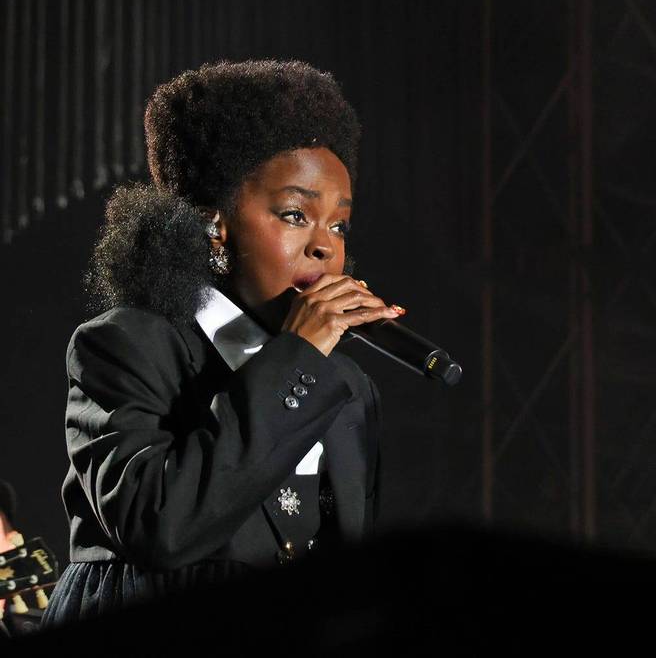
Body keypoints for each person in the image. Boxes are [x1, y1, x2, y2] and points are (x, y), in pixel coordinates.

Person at [43, 60, 401, 625]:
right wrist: (297, 358)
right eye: (294, 214)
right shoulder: (125, 344)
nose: (324, 247)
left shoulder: (348, 387)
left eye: (339, 226)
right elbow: (161, 526)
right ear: (215, 228)